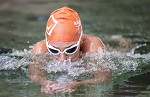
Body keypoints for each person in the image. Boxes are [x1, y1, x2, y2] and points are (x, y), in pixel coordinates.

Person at [28, 6, 112, 94]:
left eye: (71, 49)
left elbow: (105, 78)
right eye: (54, 50)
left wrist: (79, 84)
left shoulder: (92, 45)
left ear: (80, 41)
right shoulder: (40, 48)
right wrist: (45, 83)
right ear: (47, 44)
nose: (62, 58)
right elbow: (34, 76)